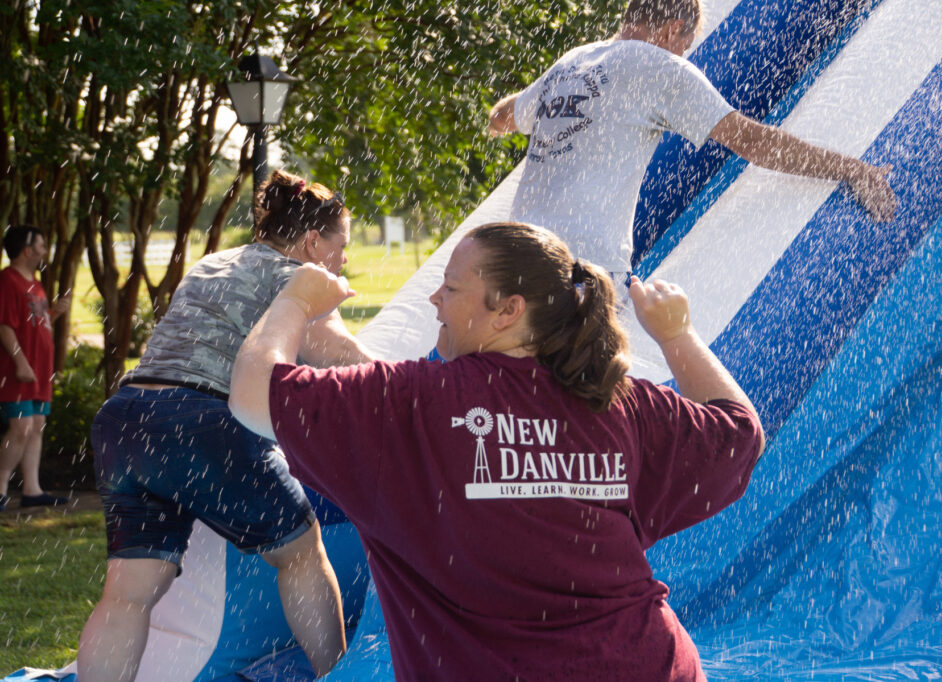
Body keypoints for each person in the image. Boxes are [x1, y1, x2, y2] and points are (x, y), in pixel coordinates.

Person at [230, 221, 766, 681]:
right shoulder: (618, 402)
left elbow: (253, 393)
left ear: (508, 310)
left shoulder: (408, 403)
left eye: (452, 288)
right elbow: (741, 432)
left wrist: (295, 301)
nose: (434, 299)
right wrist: (678, 335)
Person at [77, 170, 373, 681]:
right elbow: (341, 358)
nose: (344, 259)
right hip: (198, 419)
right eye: (340, 245)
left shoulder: (213, 263)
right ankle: (339, 678)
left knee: (127, 595)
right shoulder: (296, 278)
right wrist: (420, 387)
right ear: (310, 241)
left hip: (125, 418)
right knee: (303, 553)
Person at [489, 0, 898, 280]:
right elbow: (754, 143)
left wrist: (536, 99)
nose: (684, 55)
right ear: (671, 30)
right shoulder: (661, 68)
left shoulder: (573, 61)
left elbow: (502, 118)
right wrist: (851, 168)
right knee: (582, 397)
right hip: (583, 267)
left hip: (517, 255)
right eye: (686, 46)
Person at [0, 224, 71, 512]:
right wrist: (20, 361)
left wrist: (53, 313)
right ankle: (1, 487)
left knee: (37, 426)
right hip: (19, 369)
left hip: (40, 369)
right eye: (41, 246)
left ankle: (32, 490)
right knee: (21, 426)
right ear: (27, 249)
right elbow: (4, 326)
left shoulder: (35, 282)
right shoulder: (8, 280)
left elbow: (36, 323)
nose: (44, 251)